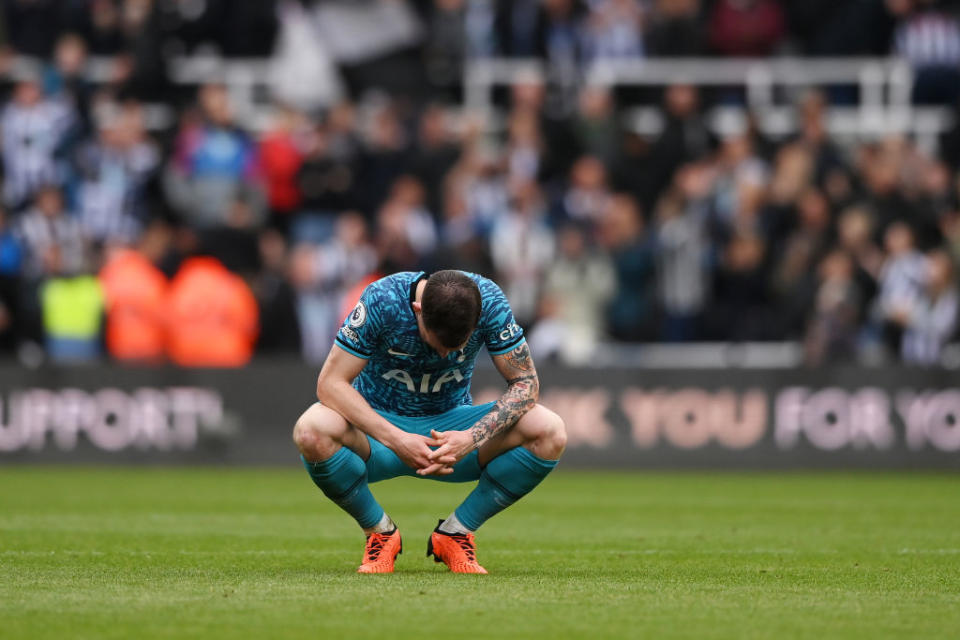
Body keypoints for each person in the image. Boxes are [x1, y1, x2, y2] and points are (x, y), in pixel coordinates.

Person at [292, 270, 566, 574]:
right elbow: (329, 383)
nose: (445, 354)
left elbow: (526, 383)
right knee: (311, 430)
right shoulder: (383, 300)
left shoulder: (489, 301)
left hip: (452, 434)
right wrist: (396, 439)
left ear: (476, 321)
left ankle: (456, 532)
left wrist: (472, 437)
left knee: (550, 430)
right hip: (376, 433)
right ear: (418, 309)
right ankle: (380, 532)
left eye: (455, 347)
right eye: (436, 343)